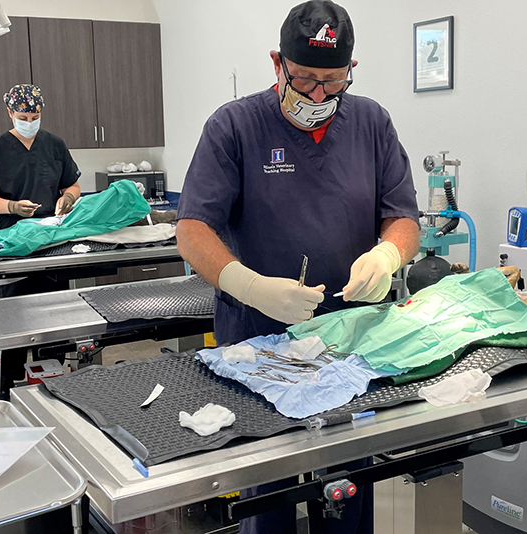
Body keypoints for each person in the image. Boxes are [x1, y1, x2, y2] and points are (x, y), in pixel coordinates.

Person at [175, 1, 421, 532]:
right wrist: (250, 286)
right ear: (276, 63)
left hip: (349, 343)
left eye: (333, 83)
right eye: (305, 79)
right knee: (270, 501)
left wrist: (388, 254)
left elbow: (403, 218)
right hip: (257, 345)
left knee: (348, 492)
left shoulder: (372, 123)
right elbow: (192, 230)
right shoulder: (234, 127)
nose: (318, 96)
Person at [0, 84, 81, 399]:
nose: (29, 121)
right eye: (23, 115)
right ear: (10, 113)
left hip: (49, 237)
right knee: (12, 316)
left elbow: (71, 185)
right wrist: (12, 207)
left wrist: (68, 200)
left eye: (35, 115)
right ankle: (7, 390)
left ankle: (56, 387)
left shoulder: (54, 145)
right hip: (10, 239)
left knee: (54, 311)